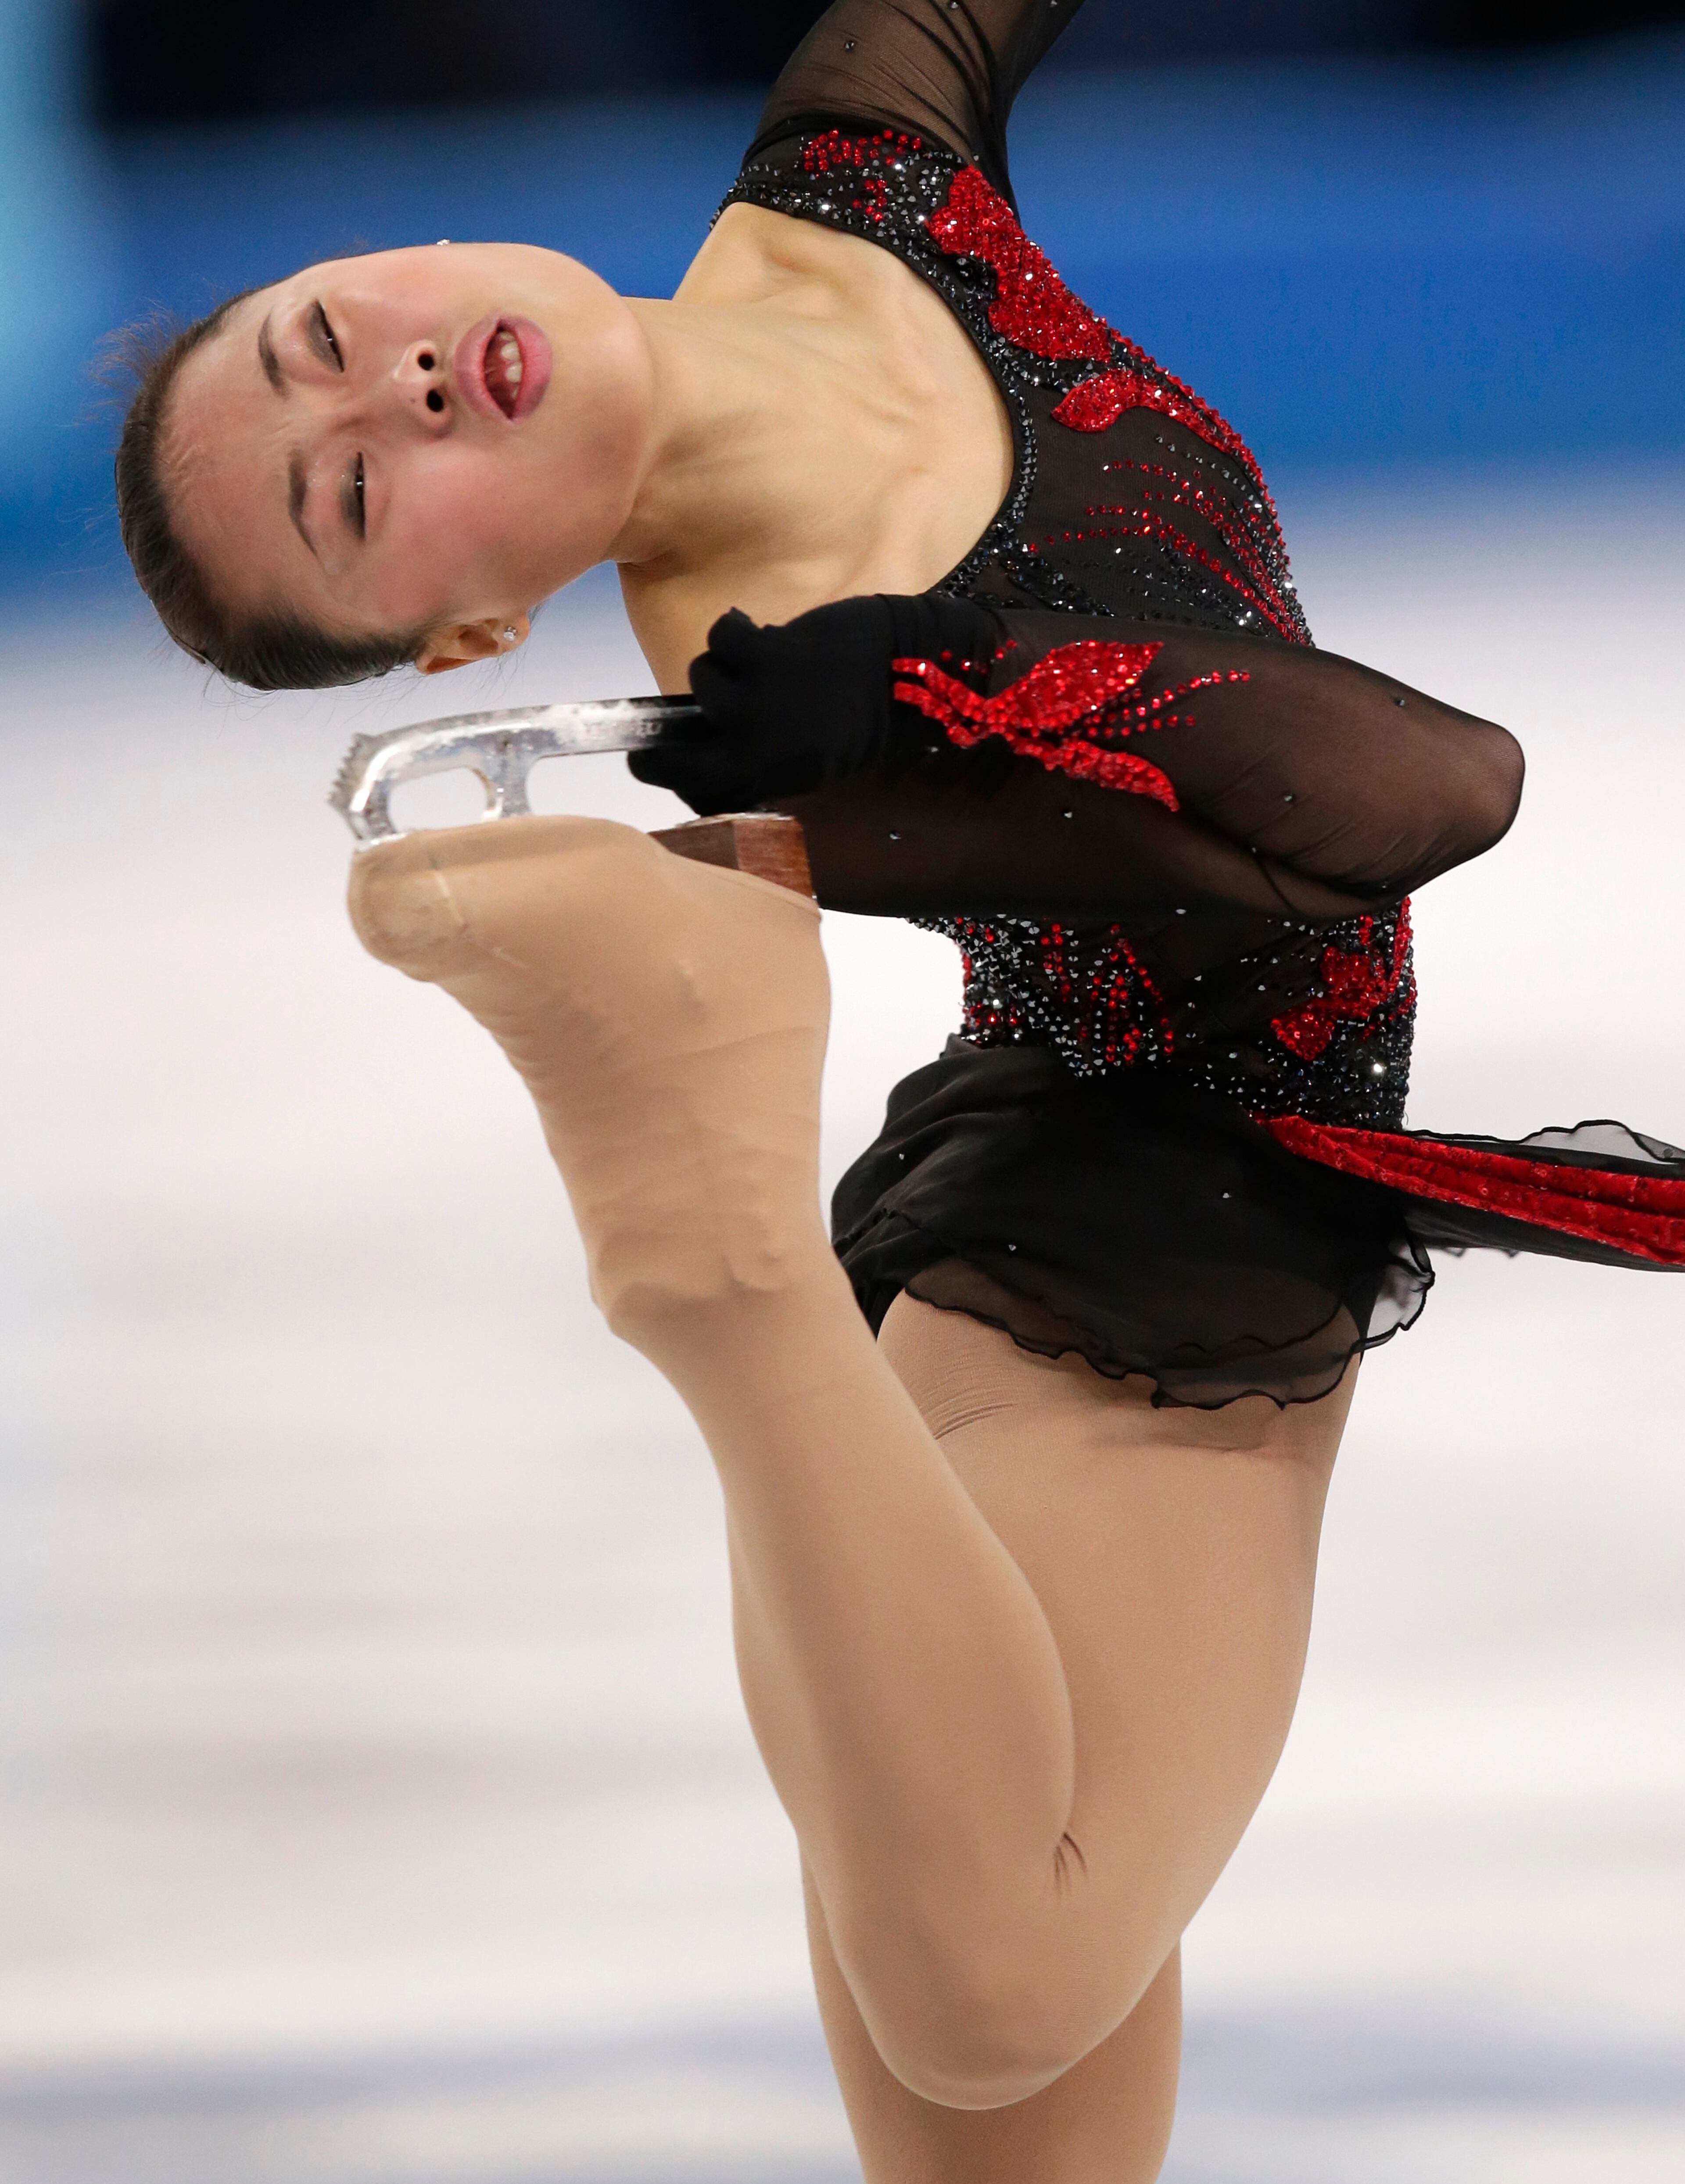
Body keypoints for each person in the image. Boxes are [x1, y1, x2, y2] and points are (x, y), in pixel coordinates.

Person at [113, 4, 1685, 2176]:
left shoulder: (856, 171)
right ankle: (711, 1266)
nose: (388, 382)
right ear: (471, 633)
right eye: (361, 497)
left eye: (321, 339)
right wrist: (932, 699)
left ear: (395, 247)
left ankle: (740, 1275)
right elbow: (1420, 794)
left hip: (1054, 1250)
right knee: (993, 2001)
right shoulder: (773, 689)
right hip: (1118, 1309)